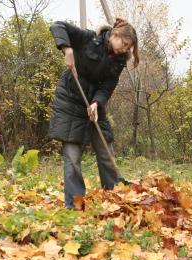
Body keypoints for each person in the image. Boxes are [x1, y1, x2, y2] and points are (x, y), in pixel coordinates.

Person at [49, 18, 139, 210]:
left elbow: (107, 87)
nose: (124, 49)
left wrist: (97, 103)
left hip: (93, 104)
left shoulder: (119, 60)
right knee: (72, 157)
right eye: (123, 44)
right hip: (71, 102)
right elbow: (58, 26)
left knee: (106, 149)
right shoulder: (88, 38)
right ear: (115, 34)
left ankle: (114, 197)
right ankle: (75, 204)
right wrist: (68, 49)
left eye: (128, 47)